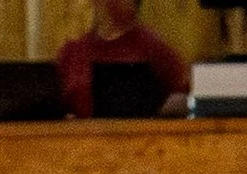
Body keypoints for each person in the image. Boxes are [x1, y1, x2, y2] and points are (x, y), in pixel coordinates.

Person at [55, 0, 186, 118]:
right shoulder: (73, 52)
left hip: (139, 141)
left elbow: (184, 94)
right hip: (80, 141)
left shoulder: (152, 48)